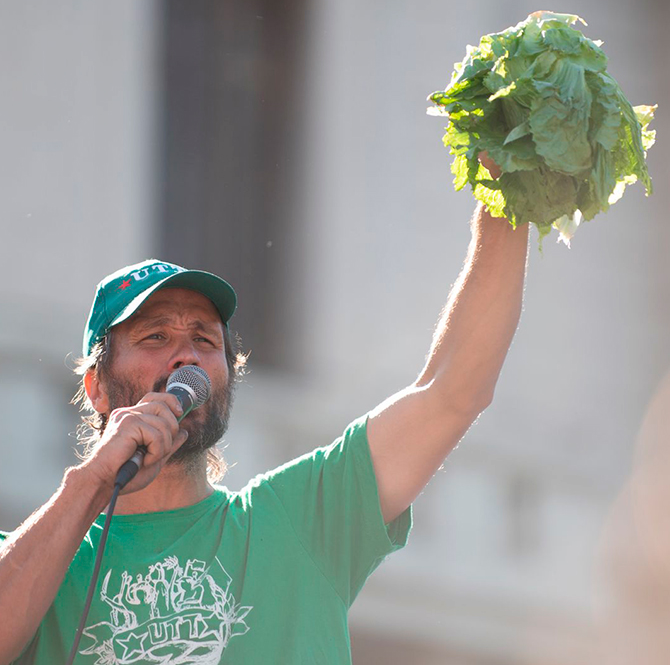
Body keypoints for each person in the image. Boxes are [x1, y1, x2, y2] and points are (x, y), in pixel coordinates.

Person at [0, 162, 529, 664]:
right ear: (96, 387)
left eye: (204, 340)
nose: (186, 355)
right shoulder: (34, 560)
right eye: (156, 336)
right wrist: (93, 482)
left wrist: (508, 198)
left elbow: (453, 390)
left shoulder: (300, 517)